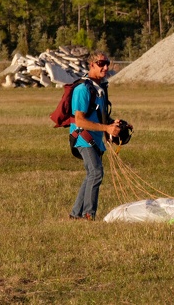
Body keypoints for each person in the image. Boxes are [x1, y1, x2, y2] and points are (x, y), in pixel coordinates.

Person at [69, 51, 121, 220]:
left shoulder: (101, 88)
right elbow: (80, 121)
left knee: (91, 174)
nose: (105, 67)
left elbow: (100, 116)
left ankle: (76, 213)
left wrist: (114, 125)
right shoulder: (82, 89)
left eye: (107, 63)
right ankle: (88, 214)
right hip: (83, 137)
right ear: (91, 65)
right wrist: (106, 128)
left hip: (96, 140)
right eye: (101, 64)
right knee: (96, 172)